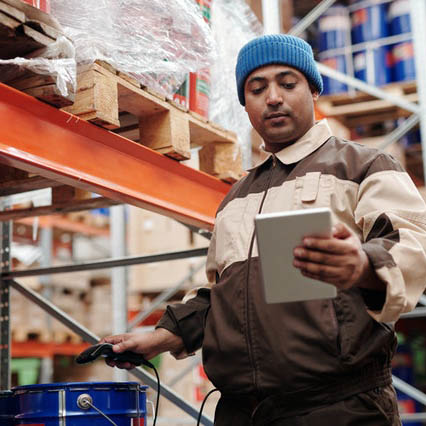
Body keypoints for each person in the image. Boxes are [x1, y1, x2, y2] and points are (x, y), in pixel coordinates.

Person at [103, 34, 426, 425]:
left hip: (339, 410)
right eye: (257, 89)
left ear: (311, 89)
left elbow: (412, 244)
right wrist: (162, 335)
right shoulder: (236, 198)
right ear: (245, 103)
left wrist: (362, 265)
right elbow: (222, 295)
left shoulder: (363, 166)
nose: (273, 97)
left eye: (287, 83)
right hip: (244, 414)